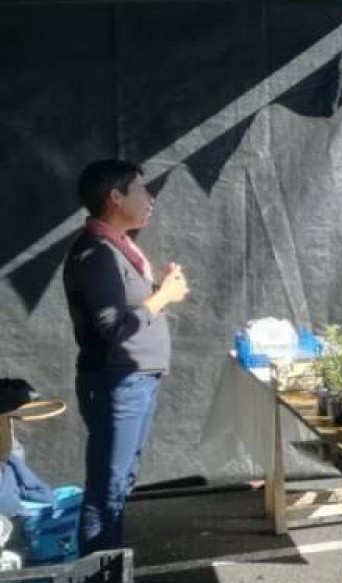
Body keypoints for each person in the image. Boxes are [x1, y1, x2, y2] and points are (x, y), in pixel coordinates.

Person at [63, 160, 190, 553]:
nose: (150, 199)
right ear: (115, 198)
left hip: (135, 380)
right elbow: (116, 327)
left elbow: (128, 309)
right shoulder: (96, 253)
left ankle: (111, 566)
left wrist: (159, 289)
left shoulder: (118, 248)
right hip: (117, 382)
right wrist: (162, 296)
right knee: (107, 490)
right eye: (141, 190)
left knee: (119, 484)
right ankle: (100, 571)